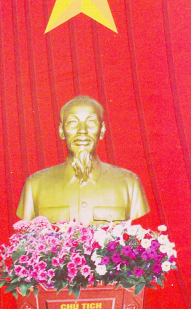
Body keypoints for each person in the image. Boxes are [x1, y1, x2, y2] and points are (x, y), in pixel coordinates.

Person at [17, 95, 149, 224]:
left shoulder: (129, 183)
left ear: (102, 130)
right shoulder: (35, 185)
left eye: (91, 122)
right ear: (61, 131)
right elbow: (26, 234)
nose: (82, 131)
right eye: (73, 122)